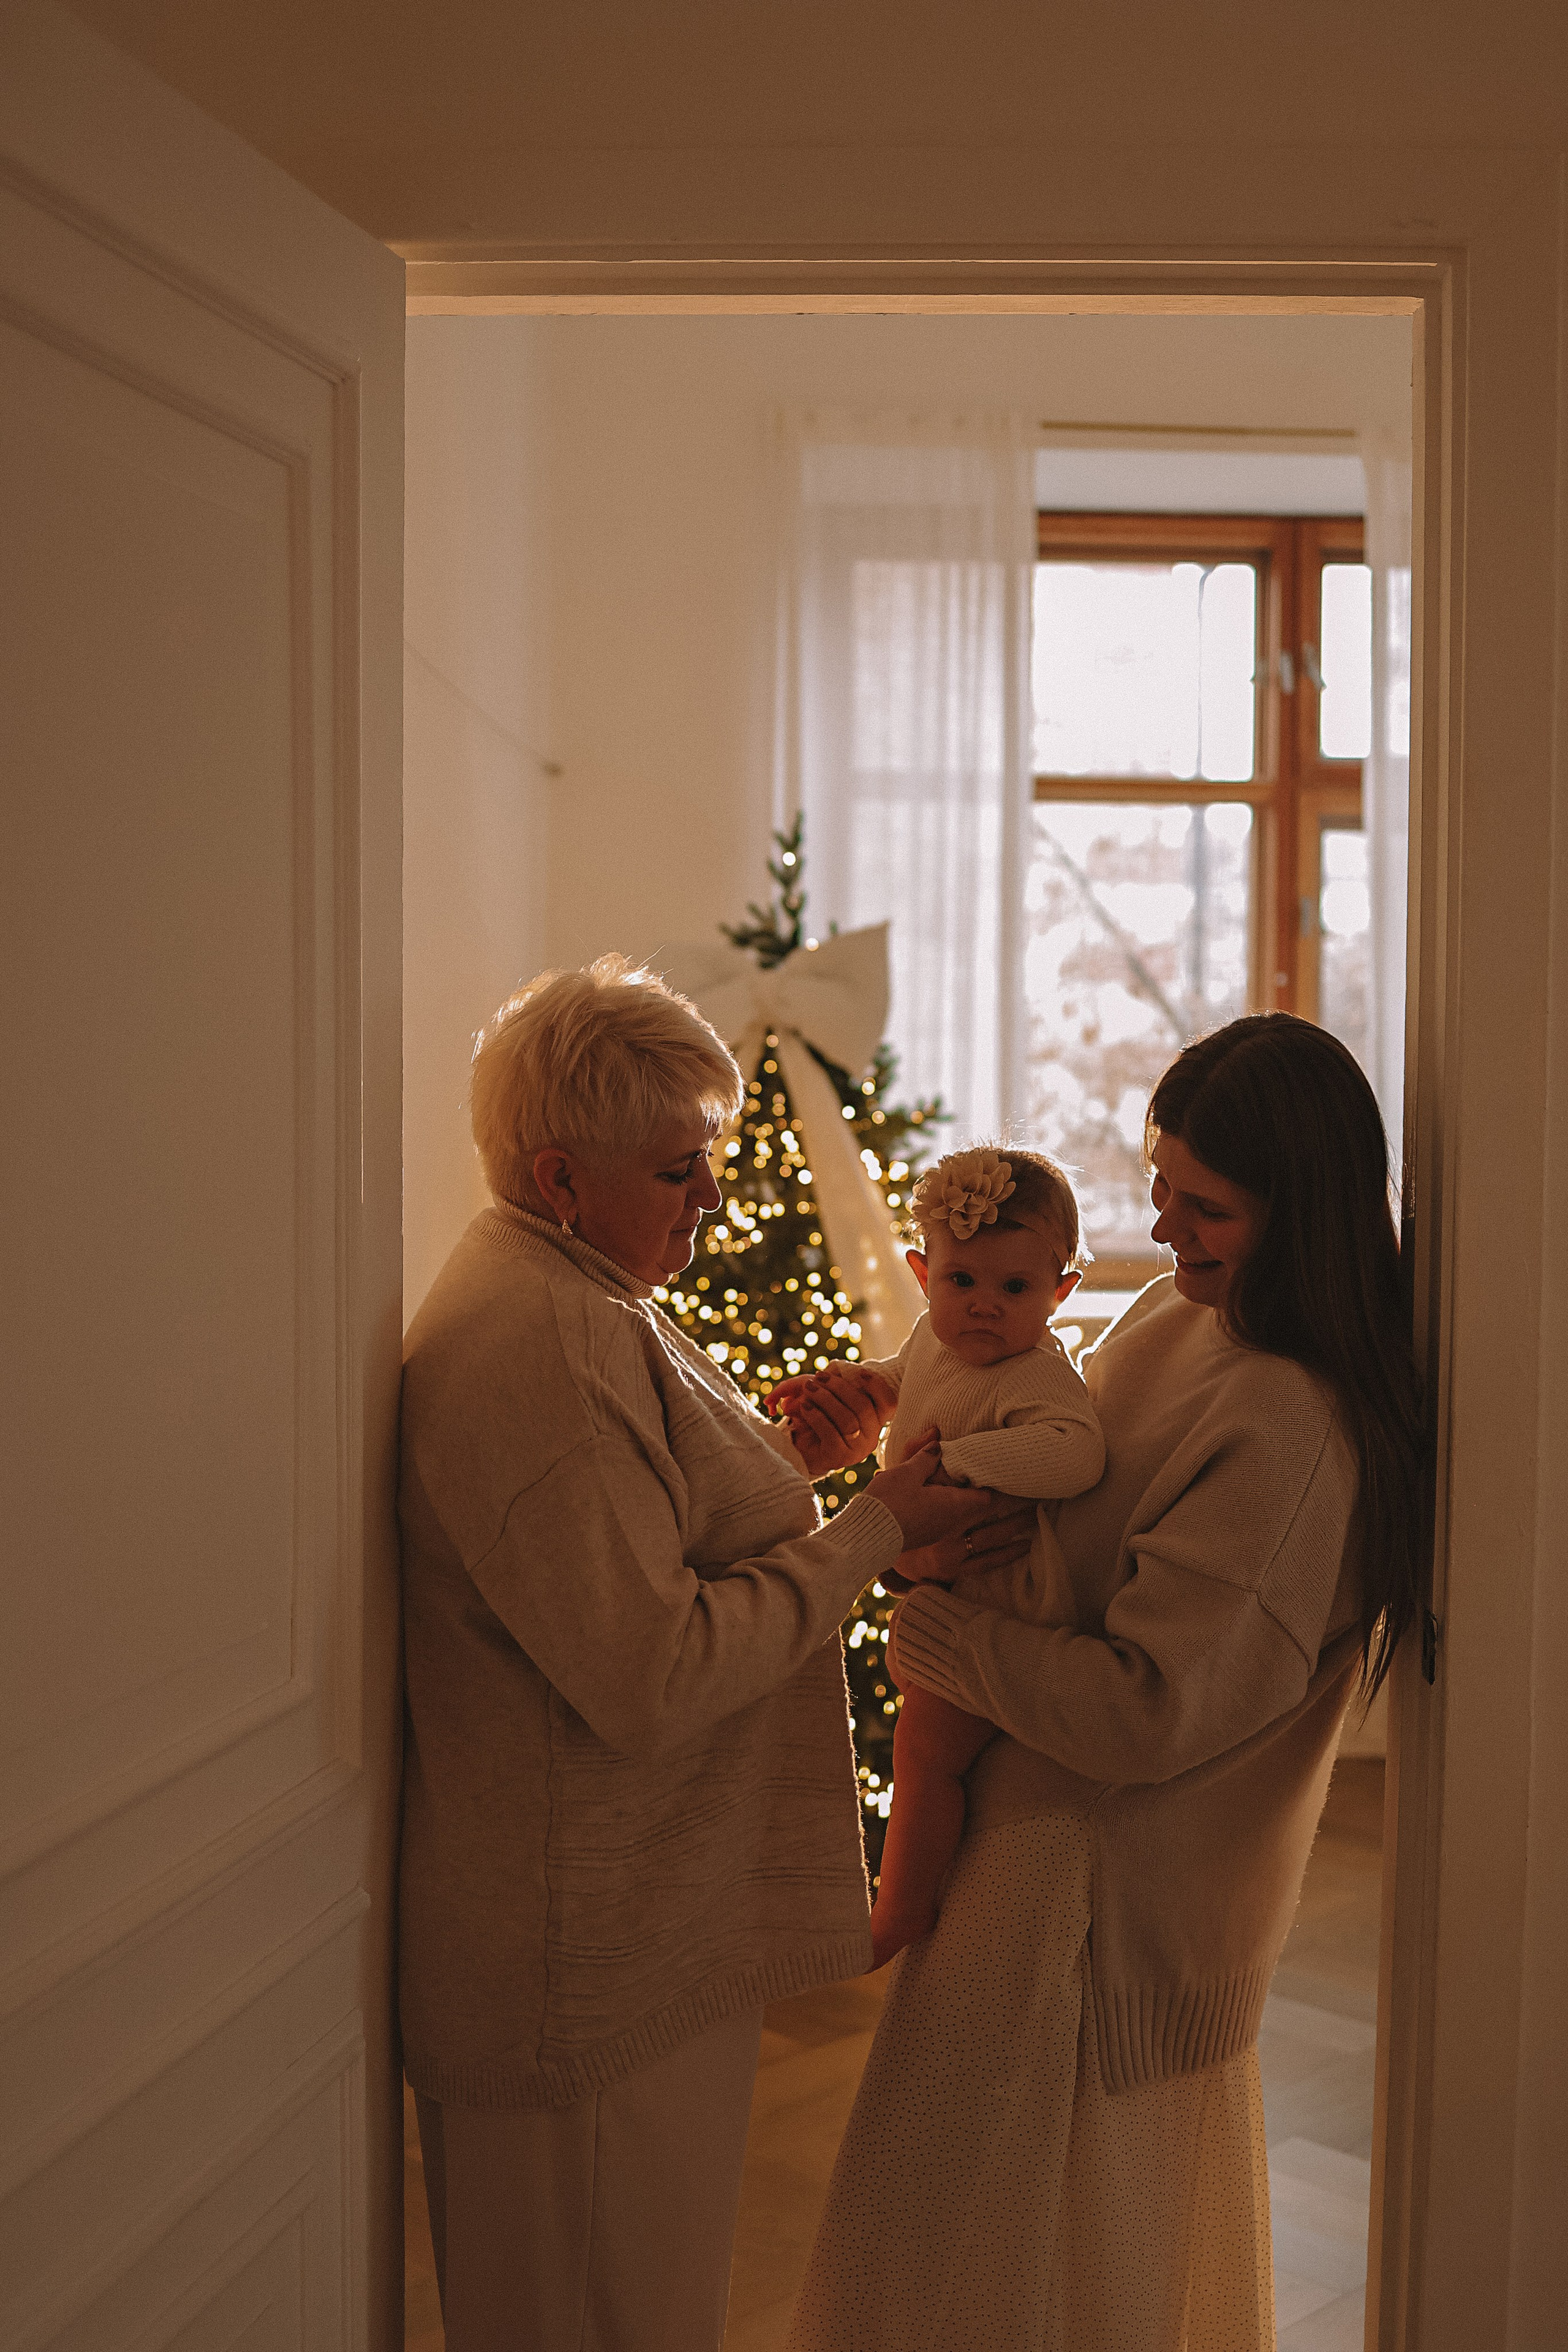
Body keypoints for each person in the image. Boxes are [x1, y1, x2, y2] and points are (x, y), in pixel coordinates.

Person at [396, 954, 1020, 2352]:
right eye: (683, 1170)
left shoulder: (571, 1286)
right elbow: (651, 1670)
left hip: (633, 1923)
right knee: (606, 2314)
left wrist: (777, 1463)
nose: (716, 1197)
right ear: (562, 1178)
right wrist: (870, 1527)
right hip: (587, 1959)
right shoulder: (541, 1341)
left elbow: (631, 1534)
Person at [788, 1013, 1423, 2352]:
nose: (1166, 1228)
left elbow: (1152, 1711)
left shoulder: (1288, 1424)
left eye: (1207, 1208)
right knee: (940, 2259)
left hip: (1090, 1898)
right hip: (1032, 1854)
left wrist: (932, 1635)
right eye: (1159, 1190)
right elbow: (1042, 1484)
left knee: (1007, 2276)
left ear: (1298, 1214)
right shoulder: (1171, 1313)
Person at [772, 1145, 1104, 1967]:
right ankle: (897, 1898)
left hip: (1002, 1608)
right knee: (919, 1740)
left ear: (1062, 1292)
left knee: (925, 1752)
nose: (984, 1308)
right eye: (963, 1283)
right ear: (925, 1274)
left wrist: (962, 1463)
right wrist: (870, 1386)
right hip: (948, 1592)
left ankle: (899, 1915)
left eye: (1015, 1289)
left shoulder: (1040, 1374)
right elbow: (912, 1372)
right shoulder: (935, 1337)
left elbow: (1078, 1453)